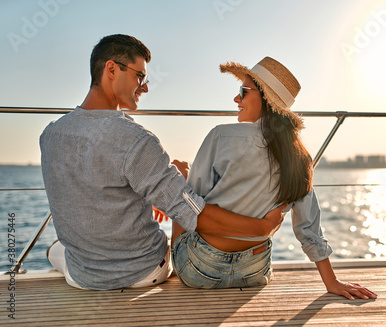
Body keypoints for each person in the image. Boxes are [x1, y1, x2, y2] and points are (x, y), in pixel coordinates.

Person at [40, 35, 284, 291]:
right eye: (139, 76)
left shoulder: (50, 135)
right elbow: (193, 214)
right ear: (111, 69)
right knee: (179, 209)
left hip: (82, 276)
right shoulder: (136, 140)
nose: (144, 87)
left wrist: (166, 181)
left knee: (56, 250)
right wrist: (263, 226)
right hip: (143, 272)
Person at [170, 57, 377, 300]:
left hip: (200, 269)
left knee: (180, 187)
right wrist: (332, 282)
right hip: (255, 272)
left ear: (265, 99)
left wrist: (181, 176)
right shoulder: (298, 156)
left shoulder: (221, 136)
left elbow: (191, 208)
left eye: (243, 92)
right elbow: (308, 227)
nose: (236, 99)